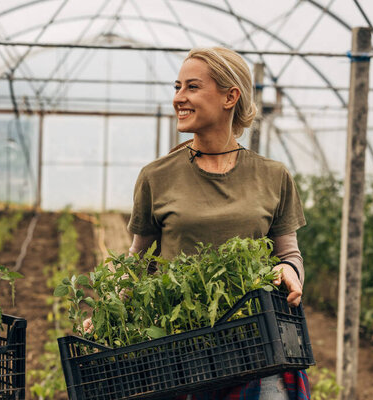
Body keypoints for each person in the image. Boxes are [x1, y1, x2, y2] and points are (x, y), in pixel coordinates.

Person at [126, 47, 310, 399]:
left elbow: (289, 254)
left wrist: (290, 272)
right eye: (177, 87)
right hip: (177, 353)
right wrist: (107, 309)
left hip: (256, 347)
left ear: (230, 96)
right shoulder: (157, 176)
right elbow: (137, 260)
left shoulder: (272, 176)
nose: (179, 97)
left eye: (192, 87)